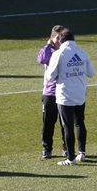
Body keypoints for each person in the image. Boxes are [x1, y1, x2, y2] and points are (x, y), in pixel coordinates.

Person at [44, 27, 95, 166]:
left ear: (60, 41)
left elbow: (50, 76)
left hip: (65, 96)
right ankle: (82, 153)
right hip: (80, 94)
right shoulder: (82, 53)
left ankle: (71, 158)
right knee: (80, 122)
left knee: (68, 126)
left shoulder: (59, 54)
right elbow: (91, 73)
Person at [37, 26, 63, 160]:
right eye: (57, 38)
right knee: (48, 122)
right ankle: (47, 149)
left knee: (65, 122)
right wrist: (48, 45)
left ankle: (66, 148)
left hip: (64, 92)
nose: (59, 40)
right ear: (52, 38)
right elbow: (41, 59)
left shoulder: (67, 50)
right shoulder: (48, 51)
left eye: (61, 37)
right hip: (50, 92)